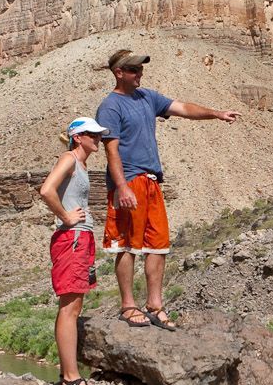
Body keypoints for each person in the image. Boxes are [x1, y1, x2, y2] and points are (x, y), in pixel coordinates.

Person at [96, 49, 239, 330]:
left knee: (158, 246)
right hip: (130, 182)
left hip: (151, 181)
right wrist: (122, 187)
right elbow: (111, 152)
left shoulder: (148, 97)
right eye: (134, 70)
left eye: (141, 69)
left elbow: (184, 108)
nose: (140, 74)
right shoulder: (110, 106)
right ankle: (127, 305)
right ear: (119, 73)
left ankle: (155, 305)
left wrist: (216, 114)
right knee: (127, 245)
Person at [36, 116, 110, 385]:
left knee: (73, 306)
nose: (98, 139)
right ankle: (71, 379)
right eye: (92, 135)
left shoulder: (81, 164)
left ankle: (69, 375)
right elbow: (46, 190)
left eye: (99, 135)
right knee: (70, 308)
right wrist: (66, 216)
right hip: (73, 238)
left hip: (80, 238)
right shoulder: (68, 158)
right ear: (77, 137)